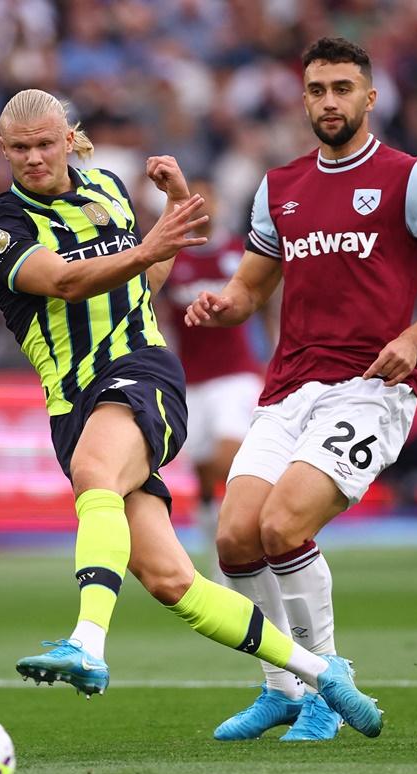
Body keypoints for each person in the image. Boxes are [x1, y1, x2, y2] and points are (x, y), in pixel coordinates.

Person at [0, 88, 384, 738]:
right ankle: (320, 675)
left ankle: (86, 643)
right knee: (170, 580)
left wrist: (167, 209)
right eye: (19, 148)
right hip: (73, 403)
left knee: (96, 476)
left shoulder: (104, 187)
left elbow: (144, 283)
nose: (34, 158)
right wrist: (151, 240)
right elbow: (66, 280)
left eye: (45, 143)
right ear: (3, 150)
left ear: (68, 138)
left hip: (140, 372)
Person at [186, 37, 417, 741]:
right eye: (318, 89)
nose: (330, 101)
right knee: (234, 540)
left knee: (283, 526)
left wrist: (413, 338)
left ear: (369, 97)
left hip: (368, 389)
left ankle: (327, 681)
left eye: (342, 89)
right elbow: (250, 286)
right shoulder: (279, 187)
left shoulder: (408, 177)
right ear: (303, 99)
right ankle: (283, 688)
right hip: (288, 387)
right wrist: (223, 306)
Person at [157, 178, 264, 573]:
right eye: (192, 200)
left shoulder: (239, 251)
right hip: (191, 380)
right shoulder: (171, 256)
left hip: (235, 374)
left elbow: (266, 300)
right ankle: (219, 558)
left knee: (226, 459)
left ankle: (257, 532)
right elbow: (156, 310)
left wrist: (273, 351)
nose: (201, 207)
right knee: (203, 473)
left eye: (207, 197)